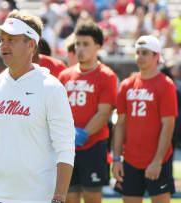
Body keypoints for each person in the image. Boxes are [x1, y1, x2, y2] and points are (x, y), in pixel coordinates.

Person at [0, 10, 75, 203]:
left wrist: (59, 197)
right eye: (2, 39)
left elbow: (65, 148)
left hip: (37, 198)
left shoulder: (51, 88)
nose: (4, 44)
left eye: (11, 39)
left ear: (31, 45)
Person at [58, 21, 118, 203]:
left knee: (92, 198)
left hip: (93, 146)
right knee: (68, 197)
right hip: (66, 148)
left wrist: (82, 134)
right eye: (77, 44)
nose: (80, 49)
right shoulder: (64, 76)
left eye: (85, 44)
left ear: (98, 47)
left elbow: (104, 112)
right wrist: (66, 137)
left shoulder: (107, 75)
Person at [112, 35, 177, 203]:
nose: (140, 57)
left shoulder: (166, 84)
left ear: (157, 56)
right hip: (131, 160)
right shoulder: (127, 84)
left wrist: (157, 162)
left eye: (145, 53)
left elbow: (168, 126)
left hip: (158, 160)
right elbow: (120, 124)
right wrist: (117, 159)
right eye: (138, 52)